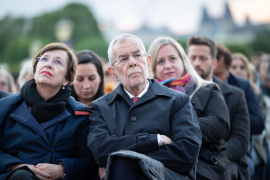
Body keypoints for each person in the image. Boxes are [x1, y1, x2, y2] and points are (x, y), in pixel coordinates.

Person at [87, 34, 202, 180]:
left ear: (148, 62)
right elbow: (100, 150)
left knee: (122, 163)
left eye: (137, 55)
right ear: (113, 72)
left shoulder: (177, 101)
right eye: (123, 58)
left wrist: (128, 159)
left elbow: (187, 154)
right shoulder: (101, 107)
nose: (133, 62)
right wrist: (153, 140)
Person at [0, 43, 98, 180]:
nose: (48, 64)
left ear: (67, 79)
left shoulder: (80, 115)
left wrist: (62, 169)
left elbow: (89, 162)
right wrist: (16, 167)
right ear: (35, 69)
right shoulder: (4, 107)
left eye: (58, 62)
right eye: (44, 59)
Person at [148, 37, 230, 180]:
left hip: (205, 167)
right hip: (162, 165)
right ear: (153, 68)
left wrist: (172, 130)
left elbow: (218, 125)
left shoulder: (207, 89)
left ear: (183, 61)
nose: (168, 65)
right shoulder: (146, 98)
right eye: (160, 61)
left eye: (172, 58)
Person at [186, 36, 250, 180]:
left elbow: (240, 141)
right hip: (189, 160)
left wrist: (213, 156)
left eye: (203, 58)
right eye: (192, 57)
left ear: (214, 63)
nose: (196, 63)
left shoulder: (236, 95)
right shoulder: (179, 91)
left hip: (226, 160)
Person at [215, 44, 264, 179]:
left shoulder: (242, 87)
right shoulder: (197, 86)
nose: (215, 80)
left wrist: (237, 118)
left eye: (218, 74)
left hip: (238, 149)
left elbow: (259, 123)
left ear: (227, 71)